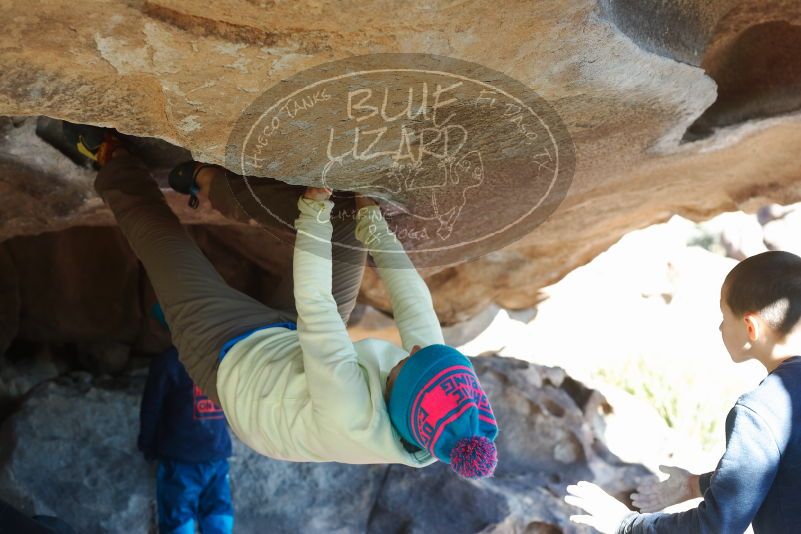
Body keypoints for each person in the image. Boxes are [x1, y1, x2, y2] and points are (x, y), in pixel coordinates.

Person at [70, 123, 499, 479]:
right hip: (297, 345)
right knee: (348, 222)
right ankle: (207, 181)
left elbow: (315, 304)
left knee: (161, 242)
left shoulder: (351, 415)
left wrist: (312, 213)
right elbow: (414, 304)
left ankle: (111, 159)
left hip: (232, 363)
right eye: (431, 353)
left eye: (409, 361)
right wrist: (374, 222)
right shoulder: (433, 380)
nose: (417, 348)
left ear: (394, 398)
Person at [564, 250, 801, 533]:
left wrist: (626, 524)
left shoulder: (760, 412)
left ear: (750, 327)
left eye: (724, 315)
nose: (721, 326)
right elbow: (787, 474)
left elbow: (715, 527)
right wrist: (695, 485)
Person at [138, 325, 234, 534]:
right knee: (218, 514)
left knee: (178, 519)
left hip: (179, 460)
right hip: (216, 454)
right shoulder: (223, 359)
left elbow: (151, 409)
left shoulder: (168, 362)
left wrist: (147, 445)